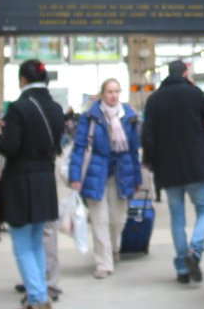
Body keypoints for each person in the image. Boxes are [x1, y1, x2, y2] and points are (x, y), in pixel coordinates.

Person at [0, 59, 65, 309]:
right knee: (36, 242)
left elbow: (11, 146)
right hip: (45, 179)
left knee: (23, 245)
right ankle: (40, 291)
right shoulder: (56, 108)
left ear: (22, 80)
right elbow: (57, 145)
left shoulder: (19, 108)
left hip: (21, 181)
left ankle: (37, 297)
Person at [141, 59, 204, 284]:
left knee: (177, 218)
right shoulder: (193, 93)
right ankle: (195, 251)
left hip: (168, 167)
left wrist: (150, 161)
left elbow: (148, 135)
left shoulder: (154, 99)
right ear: (185, 73)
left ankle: (182, 268)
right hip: (195, 164)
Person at [68, 78, 142, 279]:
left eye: (117, 91)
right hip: (95, 172)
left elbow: (134, 150)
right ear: (102, 94)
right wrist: (75, 175)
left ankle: (114, 247)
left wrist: (137, 177)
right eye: (109, 91)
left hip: (122, 174)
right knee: (100, 220)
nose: (113, 95)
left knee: (118, 220)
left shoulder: (130, 117)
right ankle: (103, 263)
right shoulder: (90, 117)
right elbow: (80, 147)